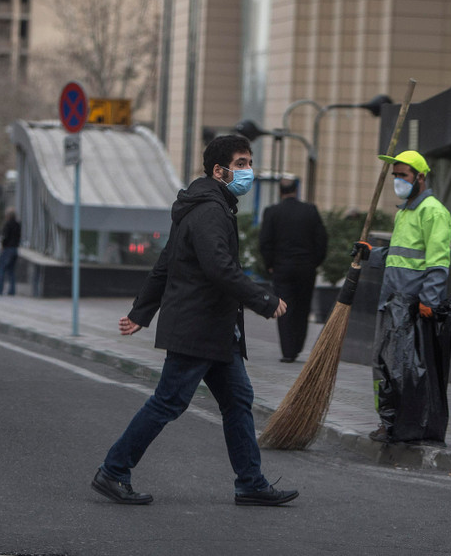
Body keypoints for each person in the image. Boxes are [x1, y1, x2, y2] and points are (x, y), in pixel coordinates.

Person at [91, 135, 299, 506]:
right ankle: (114, 470)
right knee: (168, 402)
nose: (248, 171)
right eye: (240, 164)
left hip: (216, 329)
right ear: (219, 171)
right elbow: (219, 268)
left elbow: (166, 263)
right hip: (198, 327)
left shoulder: (208, 205)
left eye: (250, 163)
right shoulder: (209, 211)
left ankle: (250, 483)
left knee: (238, 400)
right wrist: (264, 300)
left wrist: (141, 312)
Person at [351, 150, 451, 443]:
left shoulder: (433, 212)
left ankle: (402, 424)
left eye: (403, 175)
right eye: (394, 175)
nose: (397, 180)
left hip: (411, 307)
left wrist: (429, 300)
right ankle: (387, 421)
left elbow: (438, 263)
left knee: (403, 369)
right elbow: (399, 256)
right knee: (383, 364)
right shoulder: (404, 212)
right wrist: (371, 254)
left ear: (420, 177)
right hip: (391, 302)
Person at [259, 177, 328, 362]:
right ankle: (297, 345)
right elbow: (321, 240)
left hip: (282, 268)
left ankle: (288, 351)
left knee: (284, 307)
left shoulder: (272, 212)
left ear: (280, 192)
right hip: (306, 267)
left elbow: (265, 242)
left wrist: (270, 265)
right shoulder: (310, 210)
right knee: (303, 307)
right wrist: (314, 262)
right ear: (296, 190)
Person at [0, 207, 21, 296]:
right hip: (15, 249)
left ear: (8, 216)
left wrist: (2, 245)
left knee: (1, 269)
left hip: (7, 249)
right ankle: (12, 291)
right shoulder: (18, 225)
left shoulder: (7, 224)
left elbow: (5, 237)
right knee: (11, 271)